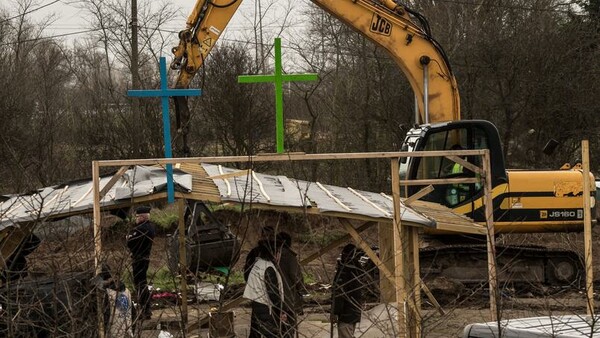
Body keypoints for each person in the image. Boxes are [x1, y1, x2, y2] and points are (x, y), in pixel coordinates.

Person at [243, 240, 288, 338]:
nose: (280, 255)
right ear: (275, 253)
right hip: (266, 307)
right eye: (279, 252)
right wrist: (282, 310)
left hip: (257, 303)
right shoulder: (268, 268)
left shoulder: (258, 263)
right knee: (271, 334)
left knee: (256, 333)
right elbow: (273, 293)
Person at [126, 205, 156, 320]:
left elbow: (129, 241)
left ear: (142, 217)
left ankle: (145, 309)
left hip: (139, 258)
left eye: (137, 216)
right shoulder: (150, 227)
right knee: (142, 283)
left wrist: (129, 235)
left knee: (140, 284)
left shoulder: (141, 229)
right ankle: (146, 308)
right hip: (144, 257)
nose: (136, 218)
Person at [331, 244, 365, 338]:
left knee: (345, 335)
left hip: (346, 312)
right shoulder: (356, 270)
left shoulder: (346, 271)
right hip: (353, 311)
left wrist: (335, 312)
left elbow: (339, 293)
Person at [276, 231, 304, 338]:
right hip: (288, 299)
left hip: (275, 298)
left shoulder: (272, 256)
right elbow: (296, 276)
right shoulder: (289, 257)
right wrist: (301, 289)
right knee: (288, 330)